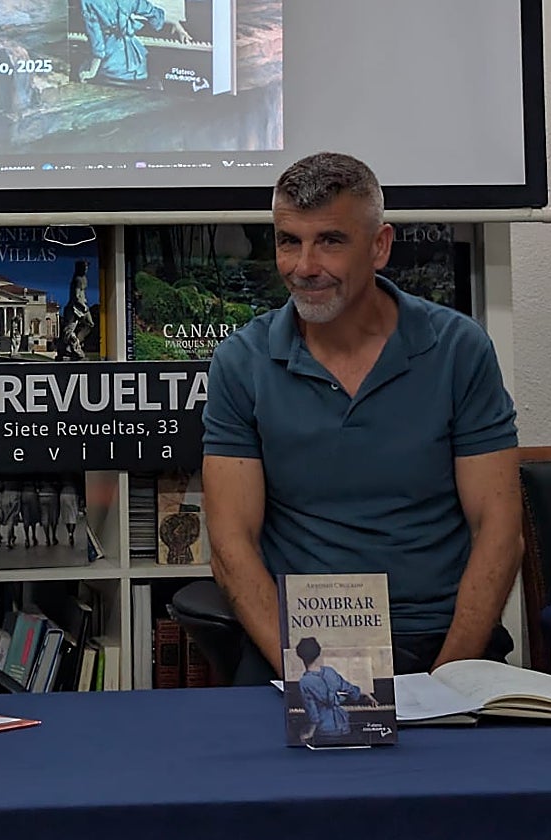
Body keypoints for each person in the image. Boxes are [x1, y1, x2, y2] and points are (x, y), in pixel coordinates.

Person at [202, 152, 522, 683]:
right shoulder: (243, 361)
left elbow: (499, 530)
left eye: (330, 241)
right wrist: (306, 674)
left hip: (441, 640)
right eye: (289, 241)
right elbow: (230, 542)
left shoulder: (458, 349)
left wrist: (449, 677)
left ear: (379, 246)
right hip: (302, 647)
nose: (304, 267)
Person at [77, 0, 192, 87]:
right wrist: (176, 23)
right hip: (137, 66)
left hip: (110, 65)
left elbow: (97, 42)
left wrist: (92, 72)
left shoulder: (89, 1)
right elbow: (153, 12)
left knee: (80, 69)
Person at [294, 637, 376, 742]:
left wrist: (309, 733)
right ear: (318, 653)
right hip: (343, 725)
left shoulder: (304, 682)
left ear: (300, 656)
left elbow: (313, 713)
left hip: (324, 730)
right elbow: (349, 688)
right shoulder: (330, 671)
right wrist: (365, 694)